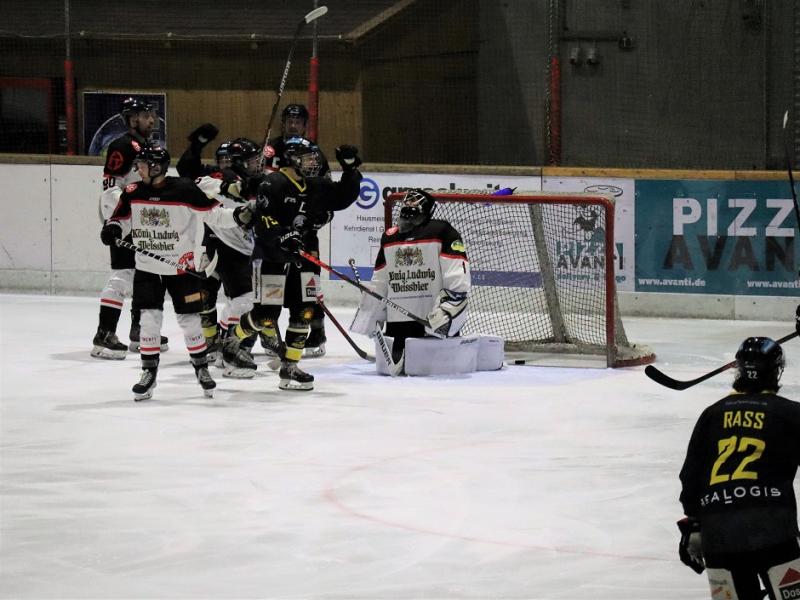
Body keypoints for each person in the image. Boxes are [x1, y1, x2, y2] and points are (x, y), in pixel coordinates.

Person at [100, 145, 254, 401]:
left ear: (157, 167)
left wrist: (239, 216)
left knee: (190, 322)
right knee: (149, 321)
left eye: (142, 164)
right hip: (147, 269)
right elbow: (120, 217)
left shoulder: (184, 189)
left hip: (181, 269)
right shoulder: (132, 191)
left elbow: (213, 216)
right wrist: (113, 227)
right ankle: (148, 373)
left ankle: (202, 369)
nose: (137, 168)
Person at [224, 136, 362, 390]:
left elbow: (343, 198)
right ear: (293, 159)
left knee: (304, 312)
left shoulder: (316, 185)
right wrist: (282, 236)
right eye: (308, 158)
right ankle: (232, 340)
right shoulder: (272, 182)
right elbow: (264, 220)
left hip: (305, 257)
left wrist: (351, 169)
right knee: (266, 316)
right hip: (272, 258)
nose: (313, 162)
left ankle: (290, 367)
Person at [677, 336, 800, 600]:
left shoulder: (711, 414)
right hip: (773, 531)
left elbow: (690, 477)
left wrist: (694, 525)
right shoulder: (791, 413)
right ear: (776, 372)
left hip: (719, 537)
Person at [351, 189, 471, 371]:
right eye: (407, 201)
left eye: (415, 202)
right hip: (398, 325)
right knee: (400, 376)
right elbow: (381, 280)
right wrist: (371, 313)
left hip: (431, 321)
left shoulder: (441, 231)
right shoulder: (390, 236)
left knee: (433, 373)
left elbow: (456, 275)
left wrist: (448, 312)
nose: (409, 205)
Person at [91, 97, 167, 359]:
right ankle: (104, 333)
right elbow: (111, 186)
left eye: (151, 115)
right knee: (123, 275)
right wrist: (117, 221)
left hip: (141, 220)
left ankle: (138, 330)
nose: (152, 120)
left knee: (144, 275)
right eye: (146, 115)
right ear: (133, 118)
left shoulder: (146, 145)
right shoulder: (122, 145)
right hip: (124, 221)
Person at [263, 104, 331, 358]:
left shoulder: (314, 152)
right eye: (289, 120)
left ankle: (316, 331)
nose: (293, 124)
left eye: (298, 120)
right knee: (273, 285)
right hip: (277, 232)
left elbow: (326, 192)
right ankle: (271, 334)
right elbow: (262, 185)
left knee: (309, 284)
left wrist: (321, 216)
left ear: (305, 124)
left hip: (304, 231)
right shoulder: (271, 149)